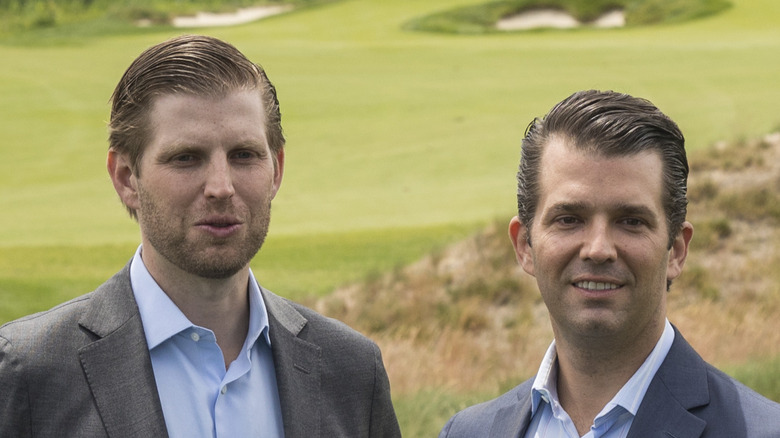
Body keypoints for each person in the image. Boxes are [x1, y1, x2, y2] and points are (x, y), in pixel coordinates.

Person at [0, 35, 401, 438]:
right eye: (186, 158)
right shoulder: (28, 373)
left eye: (244, 154)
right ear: (126, 178)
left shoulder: (352, 372)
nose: (221, 187)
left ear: (276, 169)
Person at [439, 90, 780, 437]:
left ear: (676, 250)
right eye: (569, 219)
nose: (599, 249)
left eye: (631, 220)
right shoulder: (468, 431)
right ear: (525, 245)